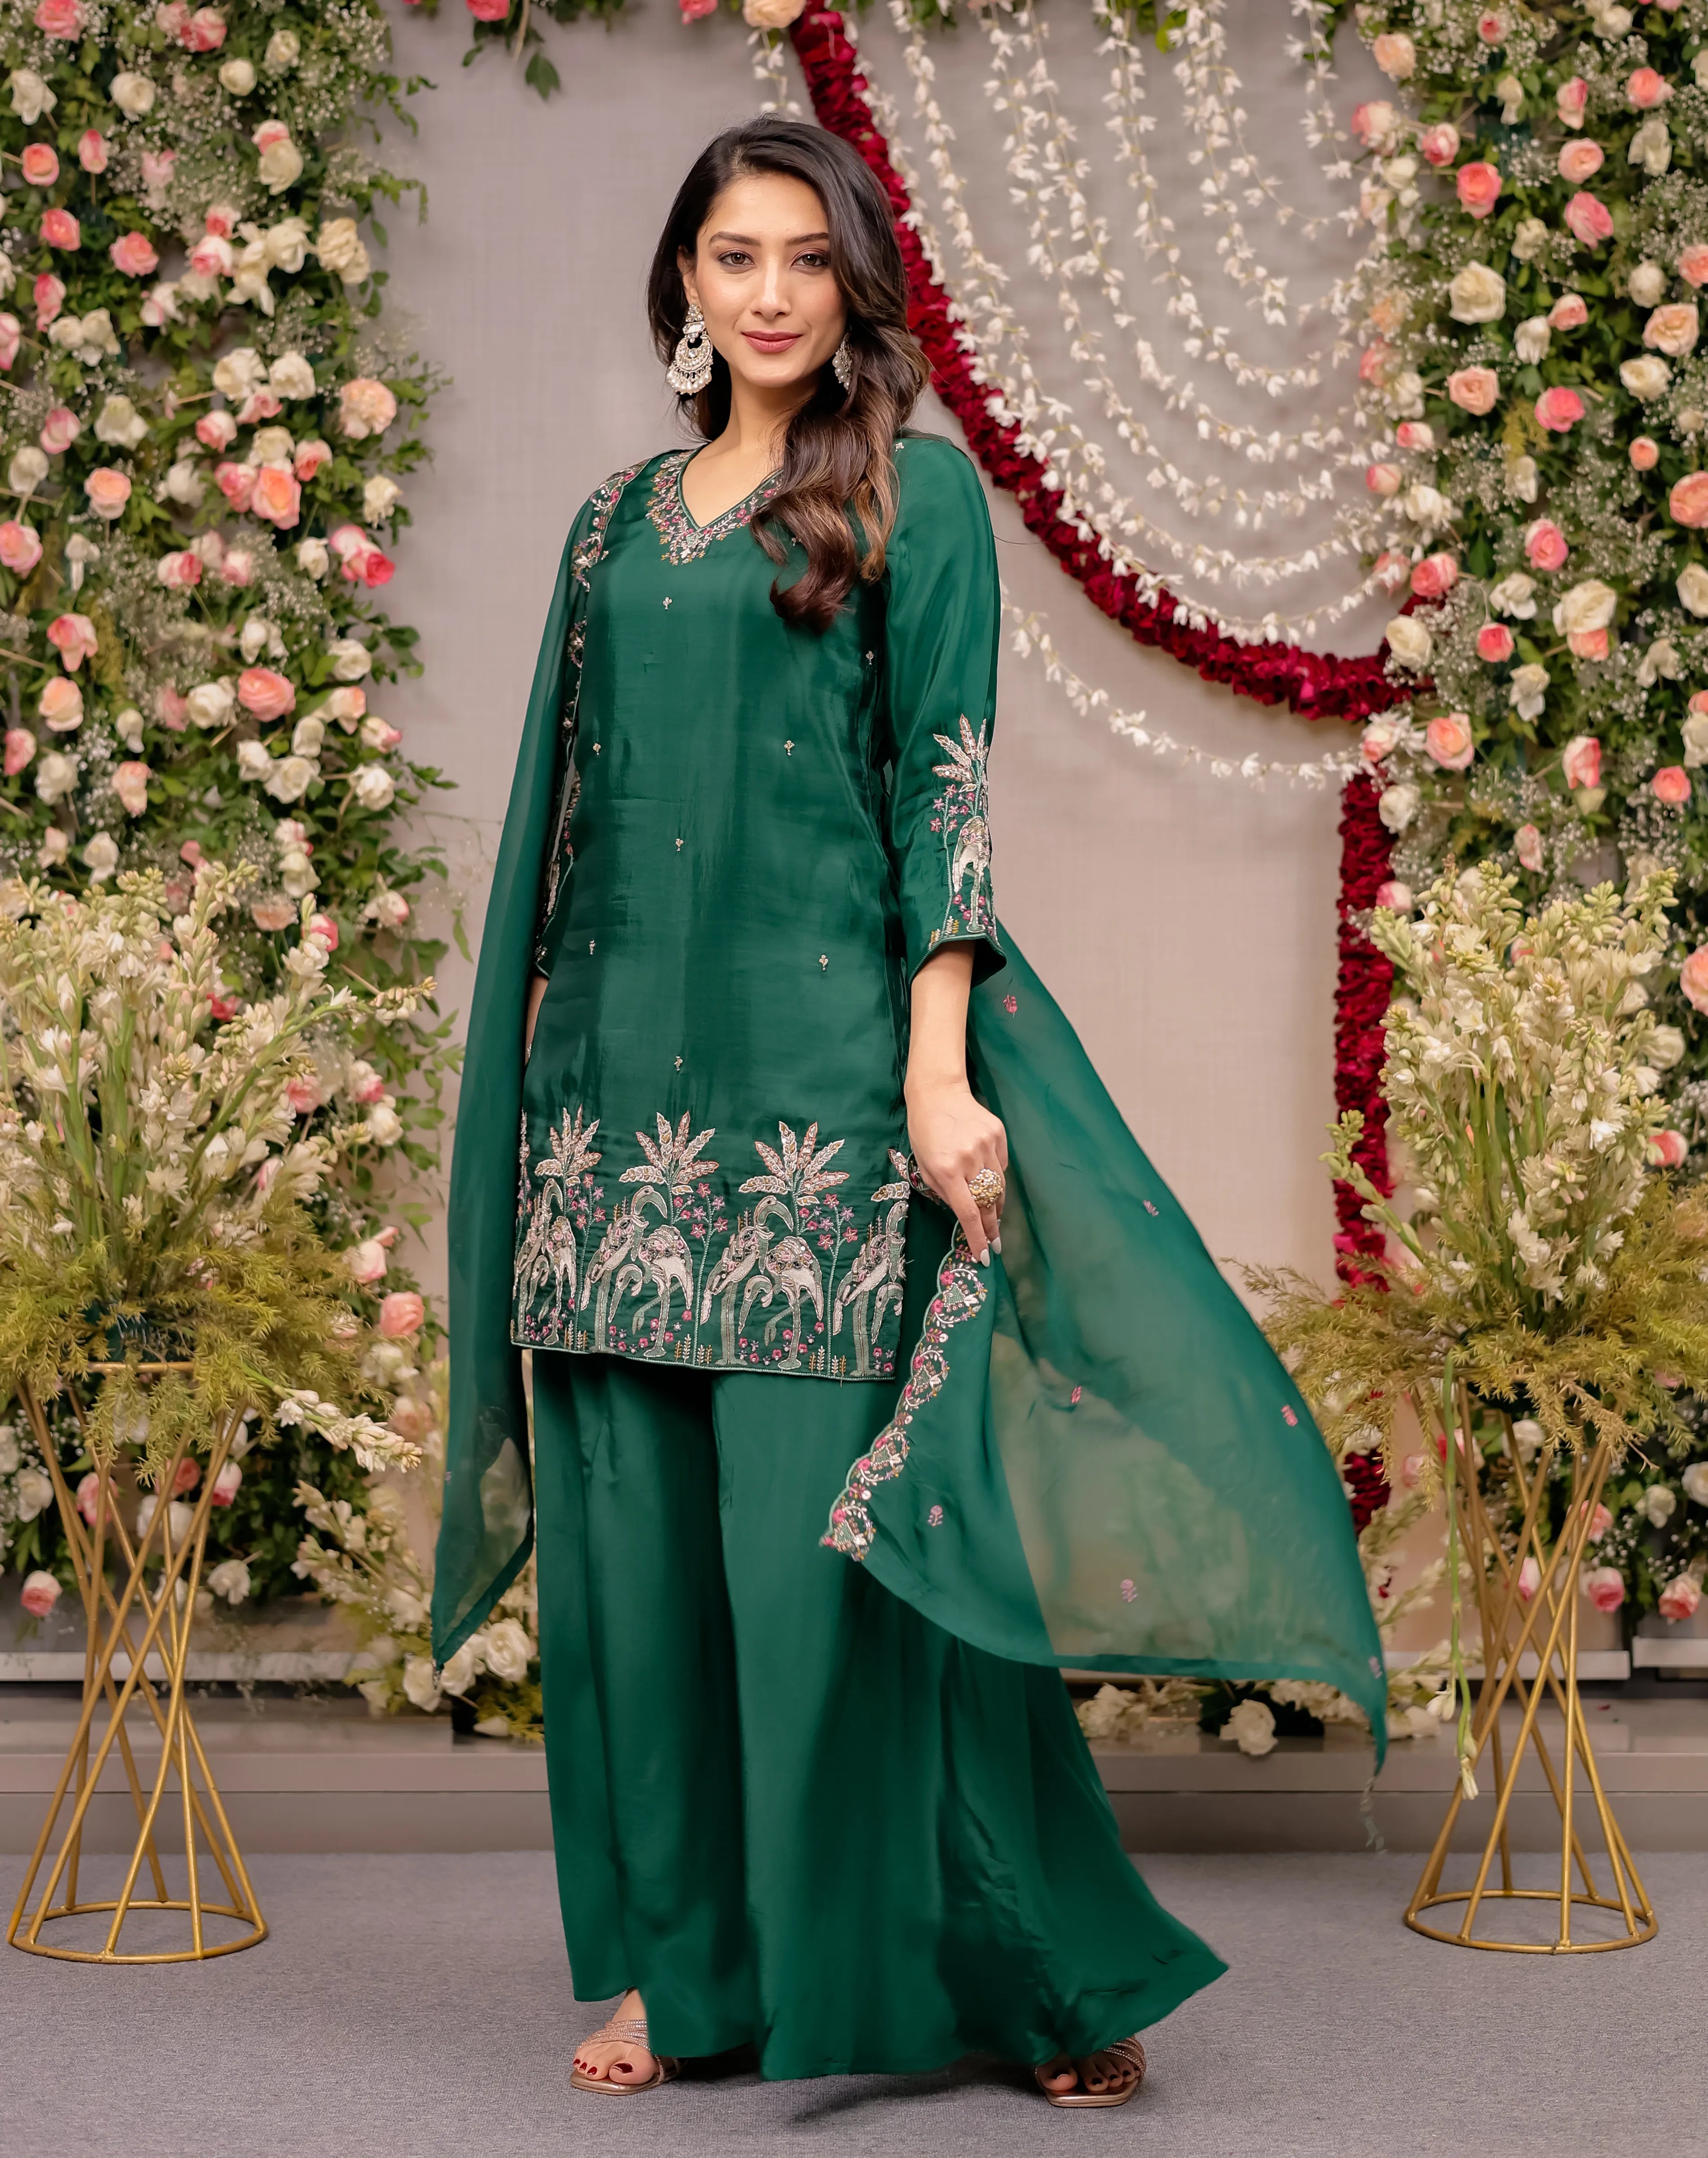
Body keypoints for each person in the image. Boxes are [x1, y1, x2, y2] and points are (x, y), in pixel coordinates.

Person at [434, 116, 1385, 2109]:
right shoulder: (612, 528)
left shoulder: (907, 504)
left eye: (802, 259)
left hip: (813, 1112)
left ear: (853, 288)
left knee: (848, 1579)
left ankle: (1022, 1975)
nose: (766, 293)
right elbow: (571, 826)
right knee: (640, 1592)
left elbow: (940, 795)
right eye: (731, 258)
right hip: (605, 1118)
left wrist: (934, 1072)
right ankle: (681, 1986)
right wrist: (529, 1100)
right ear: (683, 288)